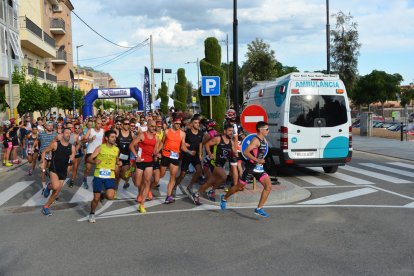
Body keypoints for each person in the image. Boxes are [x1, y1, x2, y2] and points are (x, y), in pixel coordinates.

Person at [220, 121, 273, 218]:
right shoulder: (255, 140)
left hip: (259, 169)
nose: (268, 131)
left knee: (268, 186)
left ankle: (259, 209)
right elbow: (246, 152)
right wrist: (257, 160)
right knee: (239, 187)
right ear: (260, 130)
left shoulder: (263, 139)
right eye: (267, 129)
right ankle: (224, 198)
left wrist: (262, 160)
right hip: (251, 168)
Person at [194, 123, 236, 205]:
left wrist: (235, 154)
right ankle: (211, 191)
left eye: (232, 131)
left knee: (210, 181)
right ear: (225, 131)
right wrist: (210, 154)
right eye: (229, 131)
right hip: (214, 162)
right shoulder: (218, 139)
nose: (231, 132)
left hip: (221, 163)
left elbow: (233, 152)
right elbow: (206, 144)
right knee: (223, 176)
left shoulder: (231, 142)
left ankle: (197, 194)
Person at [87, 130, 121, 223]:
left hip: (110, 175)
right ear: (106, 138)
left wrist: (118, 163)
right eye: (112, 137)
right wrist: (94, 162)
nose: (114, 139)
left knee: (110, 196)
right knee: (95, 199)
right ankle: (92, 213)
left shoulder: (116, 149)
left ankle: (103, 195)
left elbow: (117, 161)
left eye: (115, 137)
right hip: (99, 174)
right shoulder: (100, 148)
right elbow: (89, 158)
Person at [41, 128, 75, 216]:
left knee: (56, 192)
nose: (68, 134)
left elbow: (71, 161)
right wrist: (43, 162)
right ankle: (49, 186)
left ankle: (46, 206)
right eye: (66, 133)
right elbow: (44, 151)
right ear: (62, 134)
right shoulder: (55, 144)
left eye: (69, 133)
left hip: (63, 171)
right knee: (56, 186)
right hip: (54, 169)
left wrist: (68, 169)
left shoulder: (72, 147)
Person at [129, 120, 161, 213]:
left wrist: (157, 154)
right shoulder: (142, 135)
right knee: (137, 183)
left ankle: (142, 204)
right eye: (151, 126)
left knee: (147, 181)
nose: (153, 128)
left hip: (149, 162)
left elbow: (155, 151)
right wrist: (136, 156)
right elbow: (131, 146)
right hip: (140, 161)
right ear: (147, 126)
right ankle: (133, 174)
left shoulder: (156, 138)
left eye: (154, 126)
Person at [159, 117, 191, 204]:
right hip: (165, 154)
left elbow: (183, 146)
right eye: (176, 123)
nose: (178, 125)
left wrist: (189, 151)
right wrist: (157, 152)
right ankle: (151, 185)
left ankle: (168, 196)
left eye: (179, 124)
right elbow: (162, 142)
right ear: (173, 123)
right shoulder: (166, 131)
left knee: (173, 176)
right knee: (161, 175)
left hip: (175, 156)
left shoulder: (182, 134)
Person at [174, 117, 204, 199]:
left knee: (199, 170)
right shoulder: (187, 133)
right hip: (187, 155)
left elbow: (201, 143)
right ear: (191, 124)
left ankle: (190, 186)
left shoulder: (201, 133)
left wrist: (200, 154)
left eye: (198, 123)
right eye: (195, 123)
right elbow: (181, 142)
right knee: (182, 174)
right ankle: (175, 186)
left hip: (195, 156)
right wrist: (185, 145)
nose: (197, 124)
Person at [35, 121, 57, 193]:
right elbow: (37, 140)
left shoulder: (55, 134)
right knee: (43, 170)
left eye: (51, 125)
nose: (51, 127)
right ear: (45, 126)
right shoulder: (41, 134)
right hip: (43, 154)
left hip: (52, 154)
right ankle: (44, 187)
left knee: (50, 169)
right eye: (49, 125)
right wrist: (33, 148)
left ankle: (48, 171)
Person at [82, 118, 104, 189]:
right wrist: (90, 139)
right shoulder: (90, 130)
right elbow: (84, 140)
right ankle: (85, 179)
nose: (99, 125)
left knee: (99, 168)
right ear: (95, 123)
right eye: (98, 123)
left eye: (100, 123)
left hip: (99, 152)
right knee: (88, 168)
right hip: (90, 151)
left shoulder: (103, 131)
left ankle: (95, 180)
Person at [115, 118, 134, 190]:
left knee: (125, 176)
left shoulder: (131, 134)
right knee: (116, 173)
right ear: (122, 124)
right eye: (125, 124)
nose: (127, 125)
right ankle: (115, 189)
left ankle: (121, 177)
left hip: (126, 158)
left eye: (128, 124)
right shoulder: (117, 132)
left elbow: (135, 144)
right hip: (117, 158)